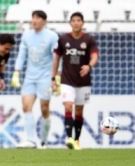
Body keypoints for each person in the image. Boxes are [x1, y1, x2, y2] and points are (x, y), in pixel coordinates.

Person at [11, 10, 59, 149]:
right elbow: (22, 55)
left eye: (38, 18)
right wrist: (16, 72)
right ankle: (31, 140)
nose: (34, 20)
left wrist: (55, 77)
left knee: (44, 108)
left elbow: (56, 58)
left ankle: (44, 141)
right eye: (33, 17)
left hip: (45, 77)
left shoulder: (51, 36)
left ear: (44, 21)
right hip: (30, 77)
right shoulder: (27, 35)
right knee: (26, 106)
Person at [51, 12, 98, 150]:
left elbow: (95, 56)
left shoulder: (89, 40)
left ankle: (77, 140)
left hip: (83, 81)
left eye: (79, 20)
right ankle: (69, 138)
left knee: (78, 111)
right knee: (68, 106)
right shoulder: (63, 39)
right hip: (67, 80)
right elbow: (56, 59)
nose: (76, 23)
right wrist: (53, 78)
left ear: (83, 23)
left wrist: (89, 66)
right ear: (70, 23)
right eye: (74, 20)